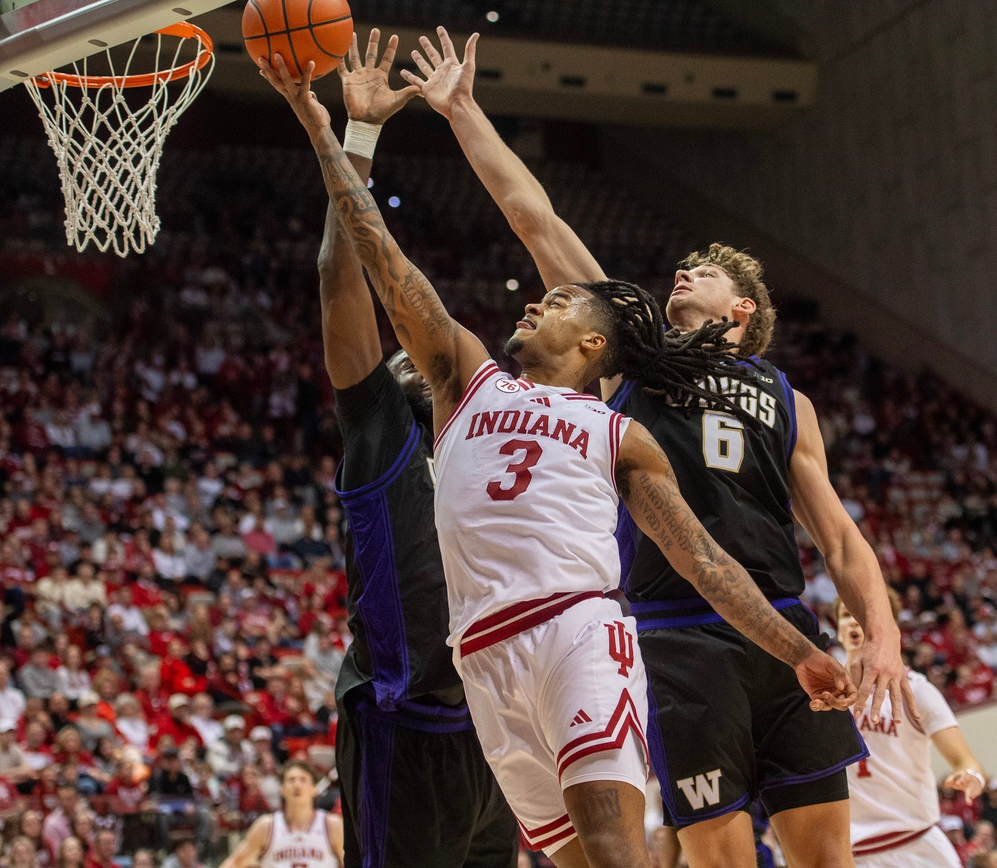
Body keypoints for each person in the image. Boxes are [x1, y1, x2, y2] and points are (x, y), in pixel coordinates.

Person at [260, 50, 855, 868]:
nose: (538, 301)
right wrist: (327, 128)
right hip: (483, 658)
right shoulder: (464, 378)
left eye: (561, 301)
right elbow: (378, 256)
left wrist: (800, 652)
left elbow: (702, 560)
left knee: (614, 850)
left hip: (577, 631)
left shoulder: (620, 430)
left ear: (594, 342)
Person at [400, 27, 912, 867]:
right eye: (680, 268)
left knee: (828, 858)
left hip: (784, 619)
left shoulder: (789, 399)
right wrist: (461, 111)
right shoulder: (634, 353)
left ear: (743, 309)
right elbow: (537, 218)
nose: (681, 274)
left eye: (703, 274)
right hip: (676, 631)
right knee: (717, 858)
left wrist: (882, 636)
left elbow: (842, 538)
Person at [284, 30, 517, 868]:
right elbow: (337, 282)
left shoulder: (496, 432)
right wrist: (352, 138)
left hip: (495, 726)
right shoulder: (386, 429)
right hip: (403, 719)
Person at [838, 593, 986, 866]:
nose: (854, 623)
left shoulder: (917, 689)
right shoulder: (825, 692)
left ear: (890, 626)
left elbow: (964, 759)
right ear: (837, 627)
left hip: (918, 841)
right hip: (852, 851)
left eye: (864, 616)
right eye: (846, 615)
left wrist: (970, 774)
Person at [218, 759, 344, 868]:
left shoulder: (332, 825)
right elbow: (235, 862)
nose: (297, 785)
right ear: (282, 789)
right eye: (291, 780)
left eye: (303, 780)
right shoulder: (266, 826)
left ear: (314, 789)